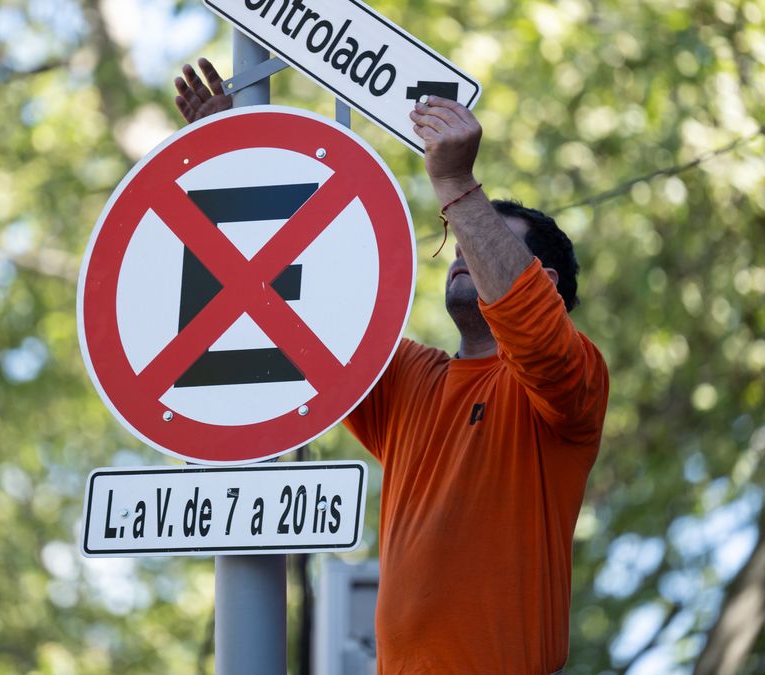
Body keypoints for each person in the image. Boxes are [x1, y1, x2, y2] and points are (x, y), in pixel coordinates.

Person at [174, 58, 609, 674]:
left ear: (548, 281)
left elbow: (533, 325)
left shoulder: (573, 381)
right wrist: (229, 151)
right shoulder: (409, 381)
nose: (461, 255)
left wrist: (457, 185)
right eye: (458, 246)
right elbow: (274, 296)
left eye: (482, 242)